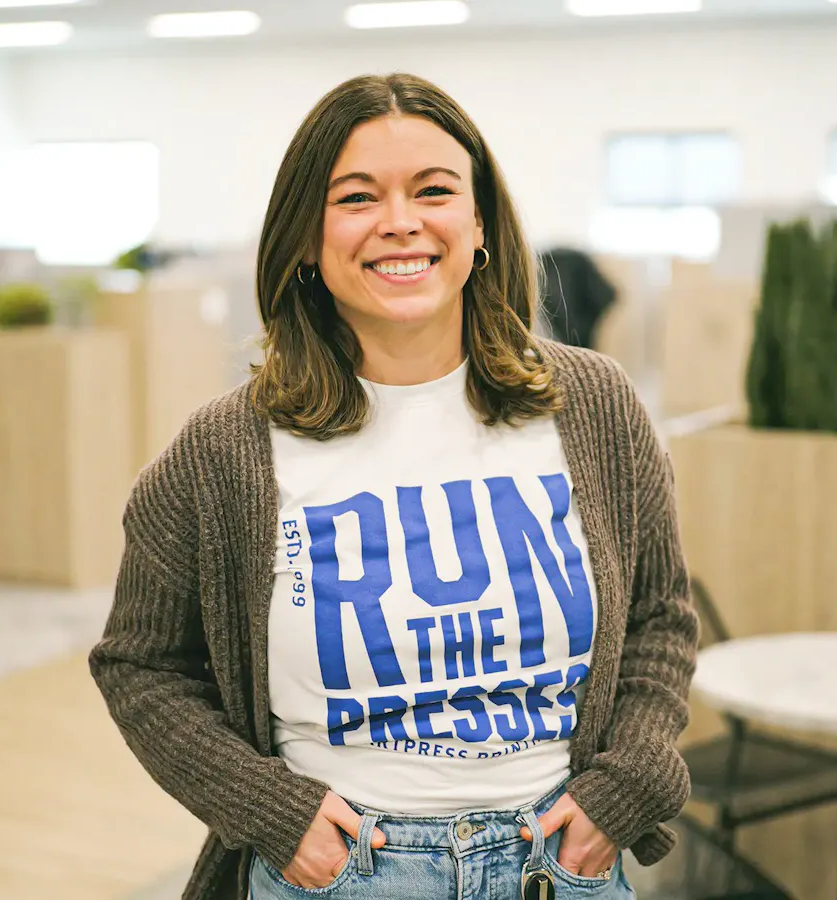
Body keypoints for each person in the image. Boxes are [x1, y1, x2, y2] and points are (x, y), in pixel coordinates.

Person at [90, 73, 698, 900]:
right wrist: (267, 809)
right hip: (343, 874)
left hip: (557, 866)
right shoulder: (223, 452)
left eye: (435, 190)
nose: (401, 222)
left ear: (478, 222)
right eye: (357, 197)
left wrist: (629, 784)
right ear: (307, 236)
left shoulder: (594, 406)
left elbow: (661, 615)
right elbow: (139, 664)